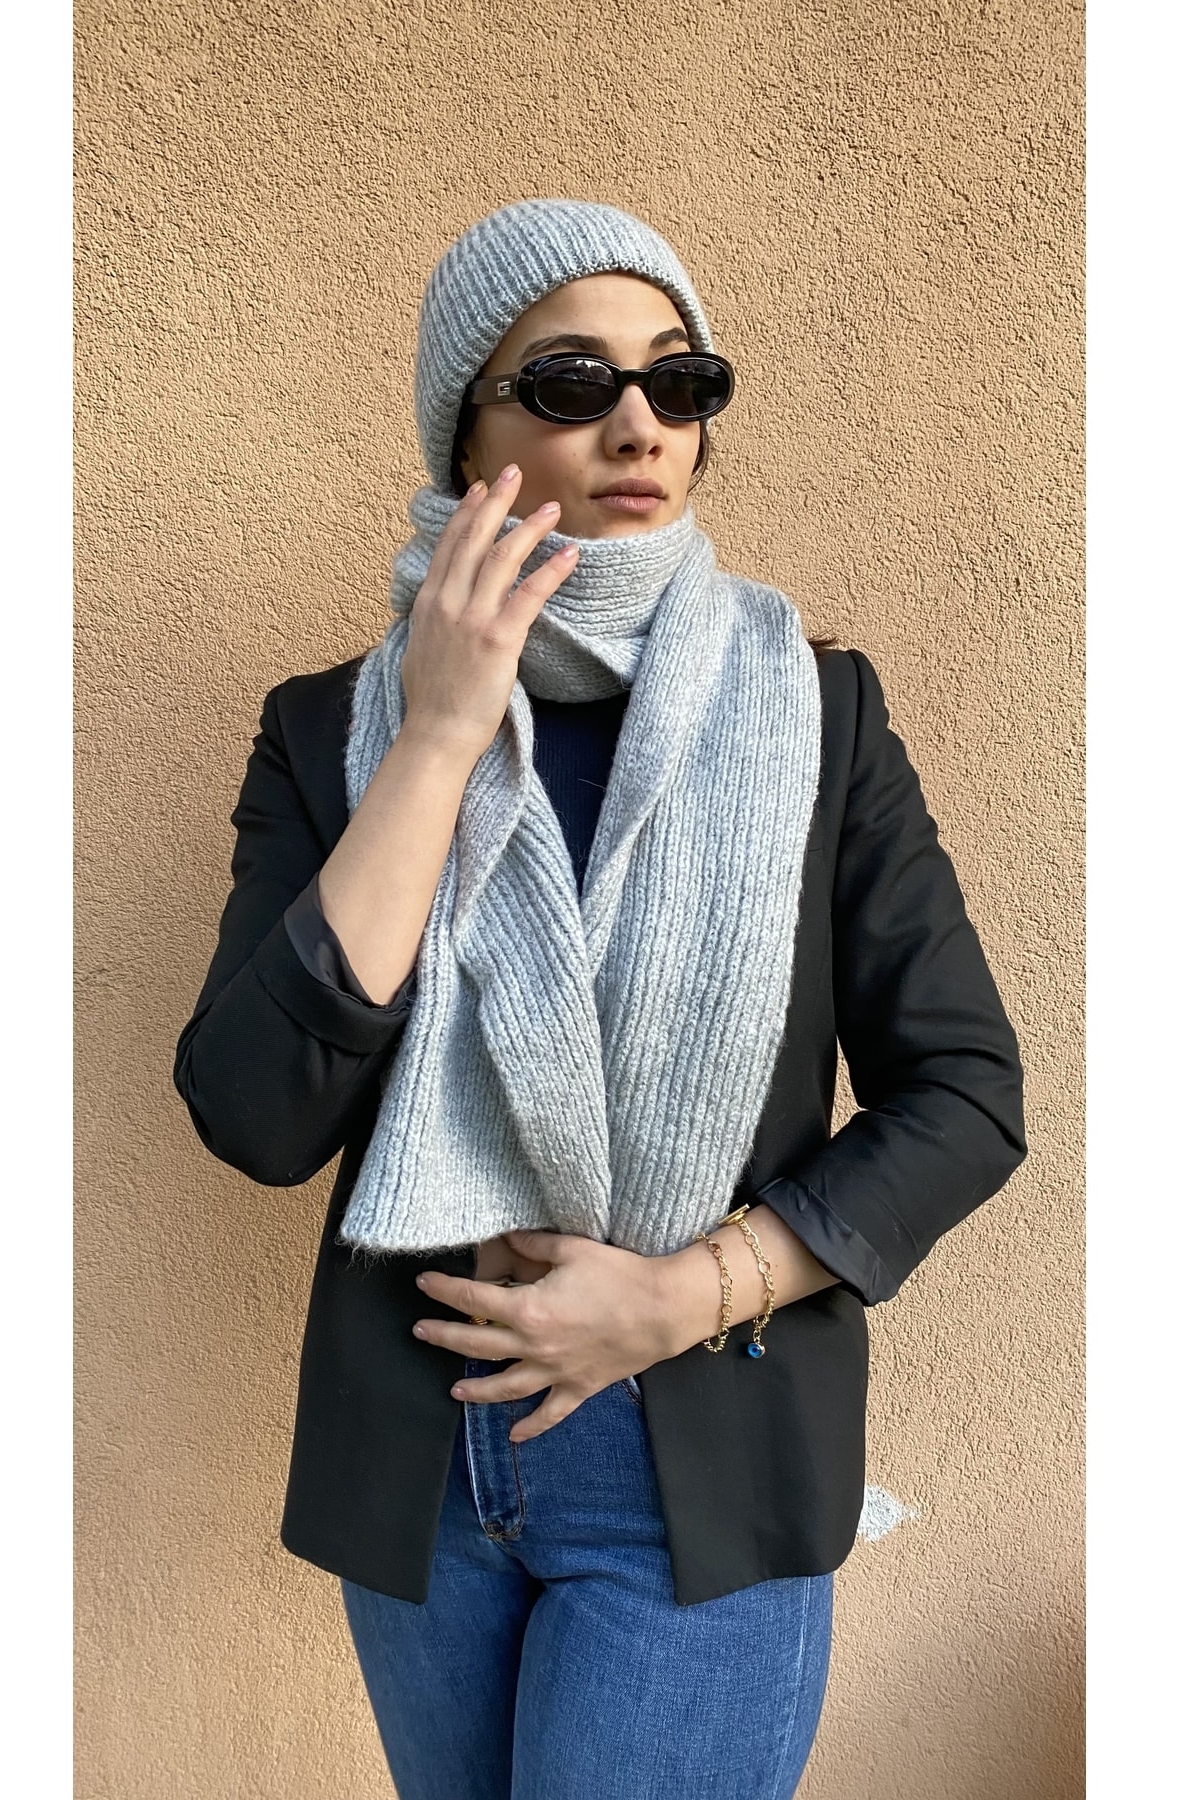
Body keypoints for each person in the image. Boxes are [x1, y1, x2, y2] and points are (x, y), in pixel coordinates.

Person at [174, 199, 1026, 1800]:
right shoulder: (326, 731)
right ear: (468, 432)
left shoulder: (817, 711)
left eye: (679, 380)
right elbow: (254, 1114)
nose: (639, 426)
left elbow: (966, 1095)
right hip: (421, 1472)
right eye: (572, 382)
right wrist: (438, 737)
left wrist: (686, 1294)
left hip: (697, 1452)